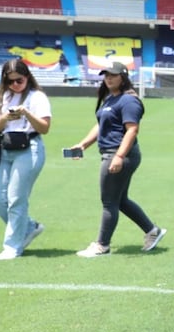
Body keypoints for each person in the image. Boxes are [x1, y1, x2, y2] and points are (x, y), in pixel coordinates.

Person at [67, 61, 165, 257]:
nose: (109, 78)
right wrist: (83, 145)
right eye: (106, 75)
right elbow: (100, 125)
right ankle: (152, 231)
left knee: (109, 201)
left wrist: (119, 156)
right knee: (119, 200)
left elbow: (132, 130)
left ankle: (102, 245)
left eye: (113, 74)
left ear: (123, 77)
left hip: (119, 154)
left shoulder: (128, 101)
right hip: (113, 153)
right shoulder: (111, 99)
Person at [0, 59, 52, 261]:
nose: (15, 85)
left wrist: (26, 113)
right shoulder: (2, 97)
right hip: (4, 148)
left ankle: (12, 246)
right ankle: (29, 227)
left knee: (16, 199)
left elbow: (44, 128)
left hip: (29, 148)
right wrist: (5, 117)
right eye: (10, 81)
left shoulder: (37, 97)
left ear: (27, 77)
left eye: (19, 80)